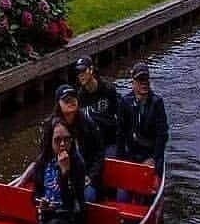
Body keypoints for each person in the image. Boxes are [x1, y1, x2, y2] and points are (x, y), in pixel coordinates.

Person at [10, 119, 86, 224]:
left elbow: (74, 203)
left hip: (70, 222)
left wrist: (65, 173)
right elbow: (35, 196)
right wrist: (41, 203)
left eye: (67, 139)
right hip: (47, 218)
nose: (63, 144)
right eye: (58, 140)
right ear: (50, 141)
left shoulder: (77, 165)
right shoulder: (42, 163)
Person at [38, 83, 104, 201]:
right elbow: (44, 156)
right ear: (58, 103)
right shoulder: (50, 127)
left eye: (74, 98)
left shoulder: (88, 124)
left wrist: (91, 176)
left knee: (87, 196)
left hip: (84, 174)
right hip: (57, 174)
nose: (72, 102)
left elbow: (99, 153)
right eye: (66, 100)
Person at [116, 61, 168, 191]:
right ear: (133, 82)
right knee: (122, 192)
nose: (144, 83)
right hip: (132, 154)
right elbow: (121, 133)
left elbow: (162, 136)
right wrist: (122, 161)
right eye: (140, 80)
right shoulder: (125, 102)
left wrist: (153, 160)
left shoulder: (157, 103)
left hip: (150, 154)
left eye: (146, 80)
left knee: (151, 189)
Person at [74, 56, 120, 157]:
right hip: (91, 143)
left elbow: (120, 115)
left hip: (109, 141)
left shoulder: (108, 89)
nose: (81, 75)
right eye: (78, 72)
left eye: (83, 70)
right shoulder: (80, 97)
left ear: (91, 70)